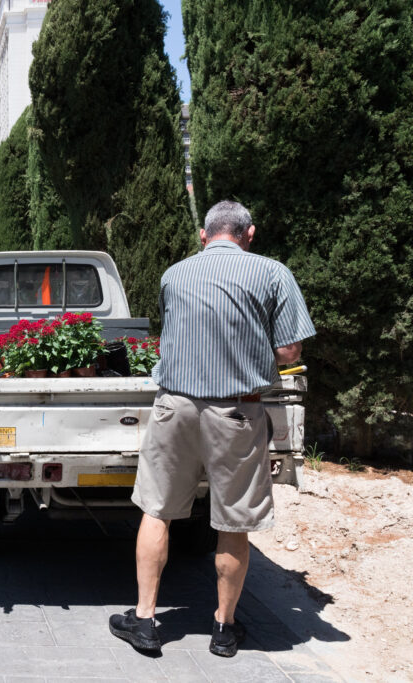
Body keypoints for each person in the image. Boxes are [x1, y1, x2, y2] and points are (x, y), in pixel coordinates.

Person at [109, 200, 316, 658]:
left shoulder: (173, 274)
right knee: (233, 520)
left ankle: (144, 620)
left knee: (157, 509)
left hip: (173, 406)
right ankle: (224, 628)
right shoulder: (273, 273)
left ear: (204, 236)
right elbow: (288, 350)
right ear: (250, 233)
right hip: (236, 413)